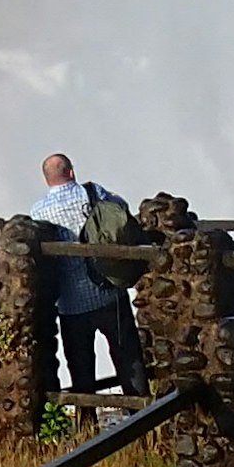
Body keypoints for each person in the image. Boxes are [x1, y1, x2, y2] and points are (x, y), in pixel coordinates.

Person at [33, 152, 149, 399]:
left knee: (81, 370)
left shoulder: (38, 212)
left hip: (70, 305)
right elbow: (121, 213)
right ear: (71, 172)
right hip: (109, 292)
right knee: (128, 358)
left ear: (46, 180)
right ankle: (142, 416)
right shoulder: (93, 193)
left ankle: (87, 425)